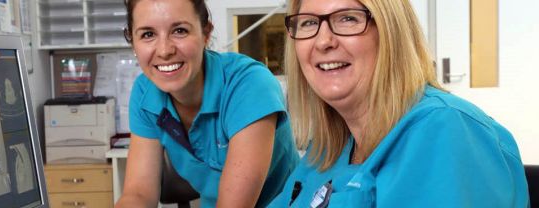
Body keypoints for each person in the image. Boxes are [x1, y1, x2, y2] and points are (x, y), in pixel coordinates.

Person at [268, 0, 529, 207]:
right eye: (309, 23)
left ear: (391, 32)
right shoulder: (328, 147)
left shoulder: (444, 130)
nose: (323, 41)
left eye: (348, 18)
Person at [114, 0, 298, 207]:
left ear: (206, 33)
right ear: (132, 41)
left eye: (180, 31)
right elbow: (138, 193)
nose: (164, 50)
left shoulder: (249, 83)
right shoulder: (145, 92)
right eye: (148, 34)